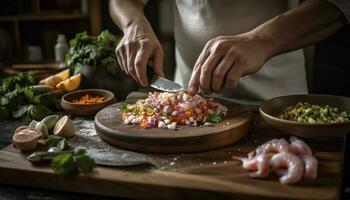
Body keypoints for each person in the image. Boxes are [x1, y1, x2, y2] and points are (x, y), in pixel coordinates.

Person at [109, 0, 349, 100]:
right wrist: (133, 26)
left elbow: (337, 5)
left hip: (276, 106)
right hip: (189, 99)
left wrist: (261, 41)